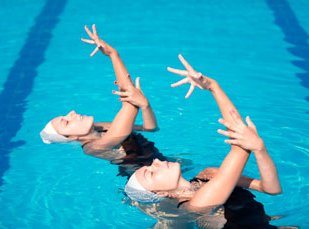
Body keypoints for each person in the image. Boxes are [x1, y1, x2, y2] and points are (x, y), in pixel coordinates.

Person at [124, 54, 283, 228]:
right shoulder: (196, 206)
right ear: (161, 193)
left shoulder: (208, 175)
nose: (155, 161)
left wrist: (260, 151)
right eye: (151, 173)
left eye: (149, 166)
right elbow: (240, 146)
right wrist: (213, 88)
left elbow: (271, 189)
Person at [40, 25, 167, 177]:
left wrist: (145, 105)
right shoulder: (94, 148)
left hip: (159, 161)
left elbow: (150, 129)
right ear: (72, 138)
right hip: (149, 179)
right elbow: (130, 103)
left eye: (66, 116)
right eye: (66, 122)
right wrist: (113, 55)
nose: (72, 113)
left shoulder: (99, 127)